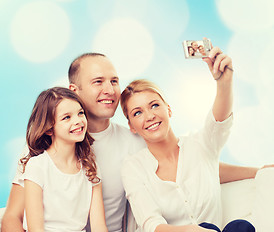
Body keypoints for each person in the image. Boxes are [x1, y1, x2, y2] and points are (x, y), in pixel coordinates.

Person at [1, 52, 264, 232]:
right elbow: (12, 217)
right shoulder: (45, 149)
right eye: (98, 82)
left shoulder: (135, 141)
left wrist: (259, 172)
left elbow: (195, 165)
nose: (110, 89)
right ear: (74, 90)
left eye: (114, 81)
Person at [120, 47, 255, 231]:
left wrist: (224, 82)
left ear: (168, 109)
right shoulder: (133, 167)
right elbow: (151, 224)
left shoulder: (201, 145)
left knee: (240, 227)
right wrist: (194, 230)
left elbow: (219, 122)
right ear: (131, 126)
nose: (149, 116)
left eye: (154, 105)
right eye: (137, 113)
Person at [19, 87, 107, 232]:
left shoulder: (91, 167)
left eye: (80, 113)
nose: (78, 121)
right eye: (67, 117)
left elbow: (99, 226)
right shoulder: (37, 167)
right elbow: (36, 229)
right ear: (48, 129)